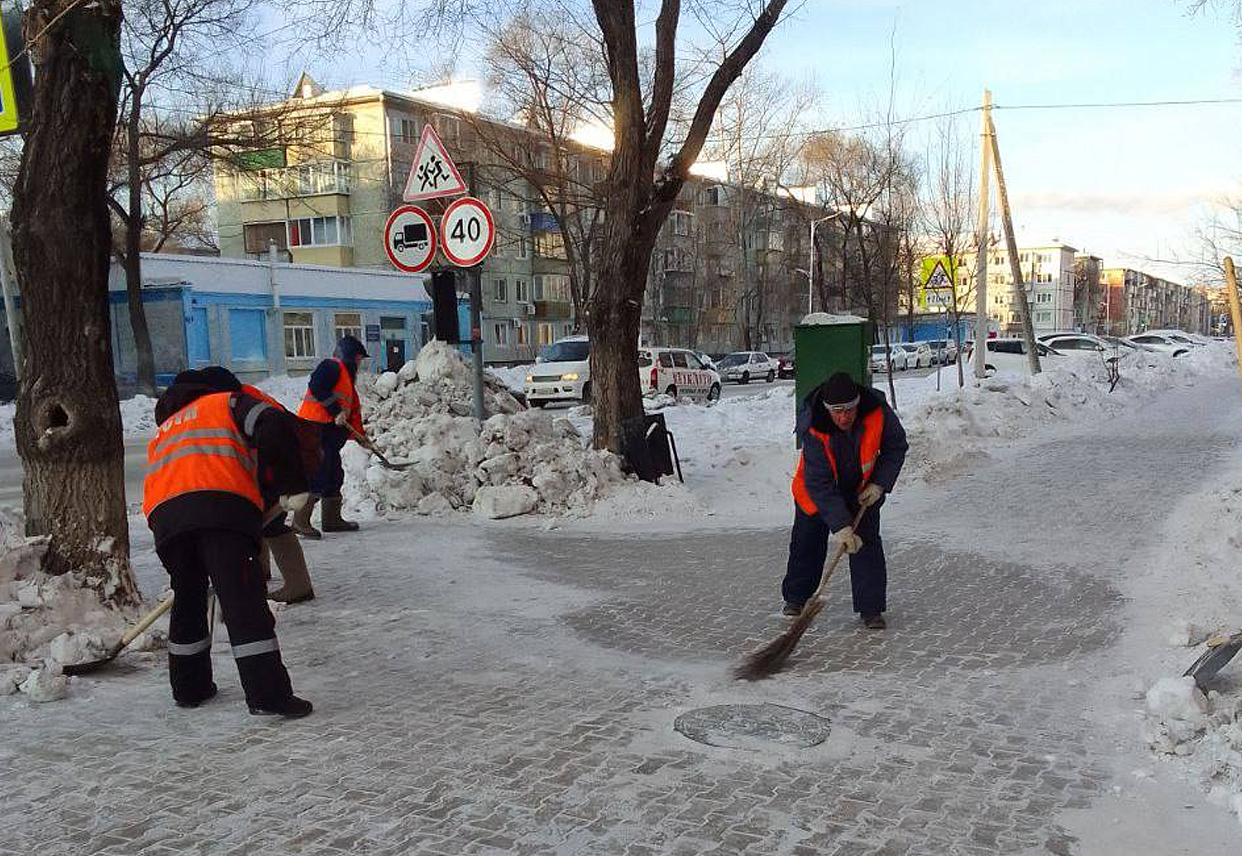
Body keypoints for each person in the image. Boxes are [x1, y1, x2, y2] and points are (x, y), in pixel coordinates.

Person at [143, 369, 313, 716]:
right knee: (242, 600)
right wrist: (291, 484)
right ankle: (268, 696)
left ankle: (190, 688)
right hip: (220, 509)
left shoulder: (168, 426)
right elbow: (274, 425)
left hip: (165, 520)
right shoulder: (229, 402)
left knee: (188, 600)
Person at [783, 371, 908, 630]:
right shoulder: (814, 426)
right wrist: (841, 525)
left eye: (849, 410)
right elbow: (820, 483)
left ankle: (871, 609)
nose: (843, 417)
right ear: (828, 409)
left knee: (867, 544)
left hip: (863, 490)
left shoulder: (877, 412)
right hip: (815, 492)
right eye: (837, 411)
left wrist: (880, 483)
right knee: (807, 541)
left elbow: (896, 446)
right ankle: (796, 598)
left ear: (857, 404)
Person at [198, 366, 318, 604]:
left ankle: (298, 585)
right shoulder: (243, 399)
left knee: (271, 524)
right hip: (277, 463)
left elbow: (273, 443)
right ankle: (260, 570)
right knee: (258, 518)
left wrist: (284, 484)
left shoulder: (243, 404)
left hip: (281, 465)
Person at [293, 335, 368, 538]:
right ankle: (300, 520)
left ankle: (332, 520)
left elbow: (350, 413)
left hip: (329, 433)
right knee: (319, 473)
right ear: (349, 356)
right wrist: (335, 410)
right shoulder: (331, 366)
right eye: (358, 359)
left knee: (334, 474)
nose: (359, 364)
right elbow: (317, 385)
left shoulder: (346, 379)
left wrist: (361, 437)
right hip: (315, 430)